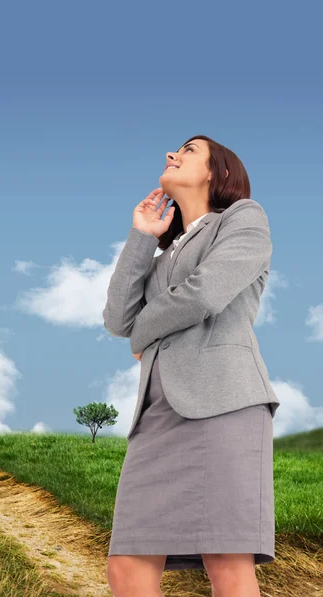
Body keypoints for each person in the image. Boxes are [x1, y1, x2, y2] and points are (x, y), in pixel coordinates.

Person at [103, 135, 278, 597]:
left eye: (189, 149)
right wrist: (142, 238)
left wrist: (145, 332)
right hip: (156, 418)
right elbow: (119, 320)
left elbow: (204, 293)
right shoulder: (162, 259)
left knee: (228, 565)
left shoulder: (244, 218)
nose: (171, 154)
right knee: (126, 568)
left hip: (224, 407)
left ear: (217, 172)